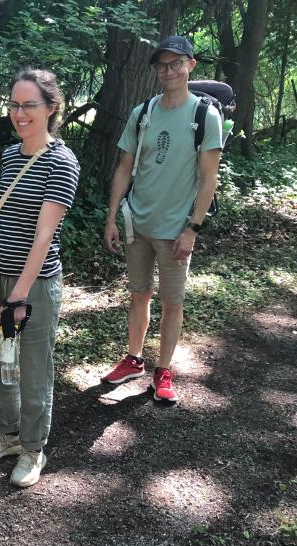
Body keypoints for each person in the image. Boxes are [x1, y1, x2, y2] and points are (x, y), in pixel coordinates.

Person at [0, 67, 80, 488]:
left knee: (34, 368)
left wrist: (18, 296)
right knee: (1, 362)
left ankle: (34, 448)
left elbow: (44, 235)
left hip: (32, 288)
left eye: (29, 105)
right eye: (14, 105)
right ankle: (9, 434)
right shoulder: (9, 156)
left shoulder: (62, 161)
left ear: (51, 108)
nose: (20, 113)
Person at [102, 35, 222, 404]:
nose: (168, 71)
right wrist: (111, 218)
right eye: (161, 65)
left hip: (176, 231)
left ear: (190, 65)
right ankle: (134, 358)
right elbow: (124, 168)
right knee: (139, 294)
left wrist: (193, 229)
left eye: (175, 64)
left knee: (173, 301)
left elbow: (208, 180)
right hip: (137, 223)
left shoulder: (205, 115)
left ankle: (163, 370)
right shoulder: (144, 113)